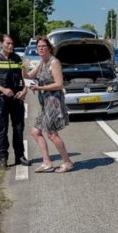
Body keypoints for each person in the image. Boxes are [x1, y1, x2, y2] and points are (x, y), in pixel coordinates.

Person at [25, 37, 74, 173]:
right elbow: (28, 77)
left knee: (52, 134)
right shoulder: (41, 63)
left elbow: (59, 84)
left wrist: (40, 88)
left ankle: (67, 162)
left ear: (49, 48)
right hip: (44, 104)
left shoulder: (54, 62)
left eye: (43, 46)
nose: (41, 48)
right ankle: (47, 162)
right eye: (39, 47)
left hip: (54, 102)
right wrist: (22, 67)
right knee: (35, 132)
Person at [0, 34, 29, 168]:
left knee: (19, 128)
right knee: (2, 129)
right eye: (8, 43)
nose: (11, 46)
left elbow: (25, 77)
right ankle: (3, 158)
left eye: (12, 44)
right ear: (0, 43)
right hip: (0, 99)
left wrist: (24, 91)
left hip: (16, 100)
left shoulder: (17, 59)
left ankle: (20, 156)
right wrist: (2, 90)